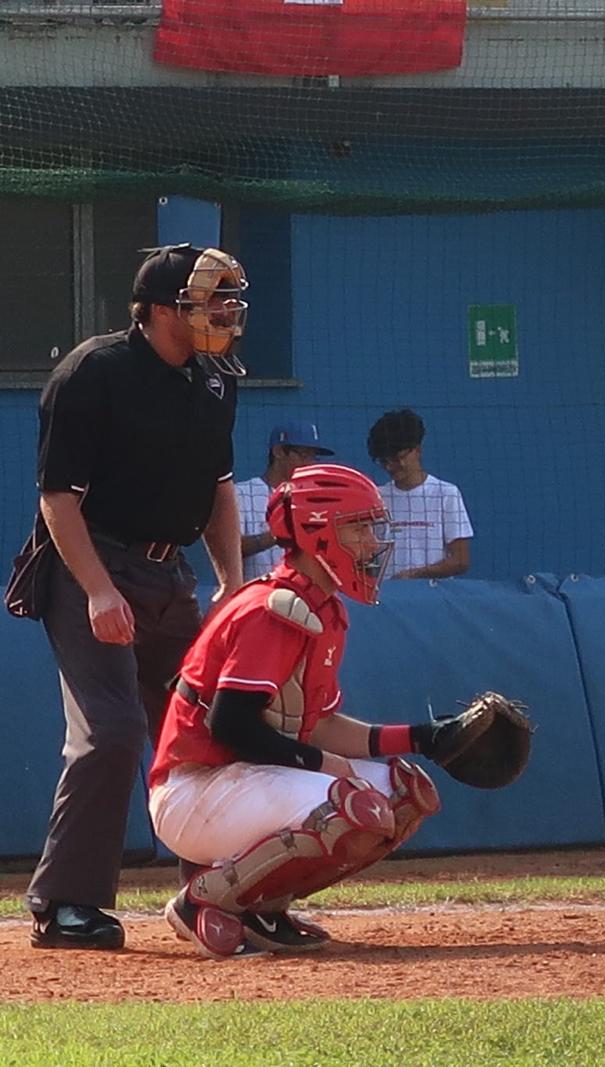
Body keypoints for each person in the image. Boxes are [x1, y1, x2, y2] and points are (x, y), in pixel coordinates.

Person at [5, 244, 248, 951]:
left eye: (231, 298)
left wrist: (231, 582)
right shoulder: (94, 372)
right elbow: (57, 498)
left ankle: (223, 892)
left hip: (169, 575)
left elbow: (219, 493)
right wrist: (99, 590)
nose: (226, 311)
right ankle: (66, 903)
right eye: (211, 300)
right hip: (92, 565)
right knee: (112, 731)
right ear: (162, 310)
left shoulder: (215, 380)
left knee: (206, 728)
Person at [150, 464, 482, 958]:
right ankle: (204, 901)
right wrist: (328, 767)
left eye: (373, 526)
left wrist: (423, 737)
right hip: (194, 790)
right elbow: (231, 724)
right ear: (314, 532)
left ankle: (262, 903)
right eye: (358, 526)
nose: (372, 542)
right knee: (354, 803)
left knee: (406, 793)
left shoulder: (321, 606)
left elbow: (320, 725)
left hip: (241, 784)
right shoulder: (271, 609)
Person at [366, 408, 473, 580]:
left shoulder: (446, 494)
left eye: (397, 458)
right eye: (384, 461)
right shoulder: (376, 497)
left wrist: (416, 575)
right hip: (388, 599)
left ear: (417, 450)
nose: (390, 467)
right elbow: (367, 556)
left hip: (433, 597)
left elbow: (461, 560)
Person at [237, 420, 335, 582]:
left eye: (313, 457)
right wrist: (278, 534)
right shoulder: (242, 493)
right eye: (304, 455)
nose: (309, 463)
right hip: (258, 593)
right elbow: (230, 549)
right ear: (278, 451)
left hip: (302, 595)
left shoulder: (317, 499)